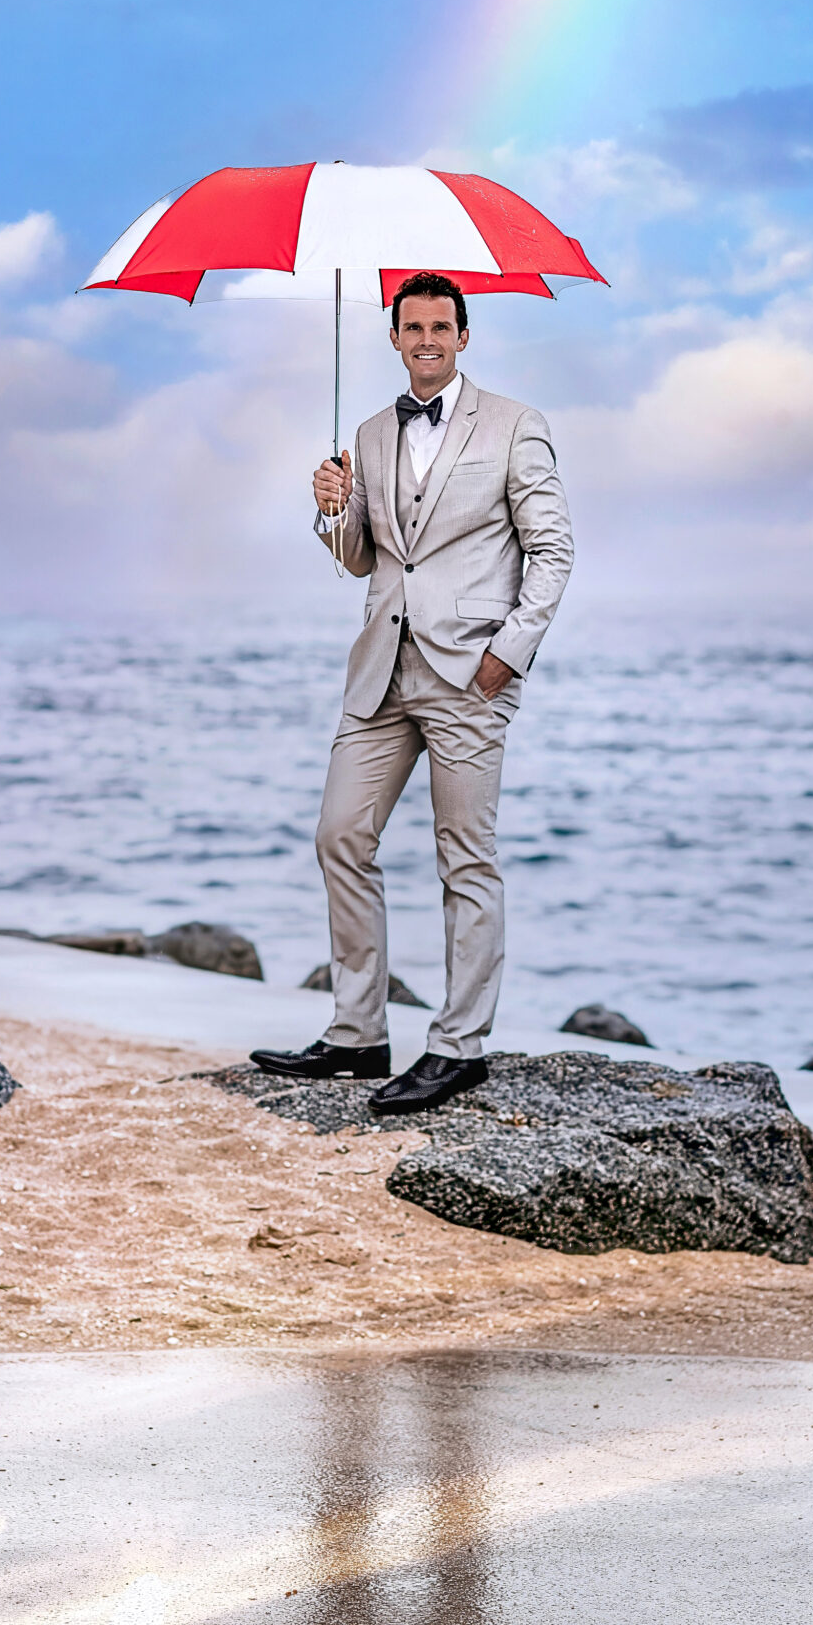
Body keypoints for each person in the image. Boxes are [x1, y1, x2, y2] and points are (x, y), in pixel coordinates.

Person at [251, 272, 574, 1113]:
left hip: (472, 672)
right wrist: (331, 510)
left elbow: (553, 552)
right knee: (340, 834)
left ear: (464, 336)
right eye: (413, 327)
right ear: (393, 338)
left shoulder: (514, 426)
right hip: (381, 671)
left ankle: (459, 1045)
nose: (427, 340)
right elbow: (362, 558)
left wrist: (508, 655)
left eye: (442, 326)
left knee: (465, 858)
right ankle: (359, 1033)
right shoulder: (367, 431)